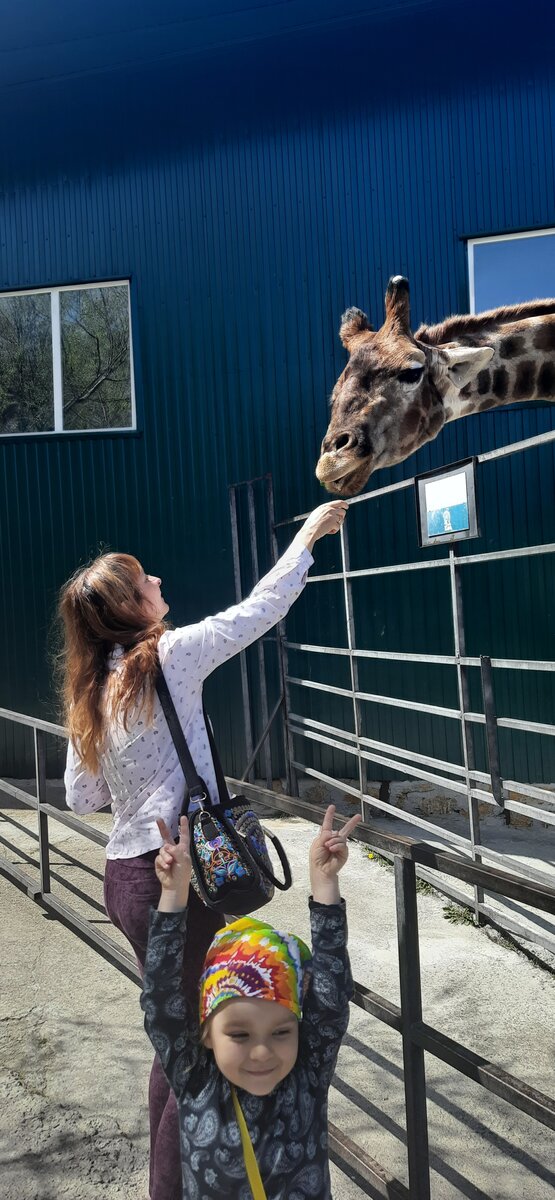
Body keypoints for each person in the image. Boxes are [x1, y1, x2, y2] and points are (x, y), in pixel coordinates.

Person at [59, 499, 348, 1200]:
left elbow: (81, 799)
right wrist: (310, 533)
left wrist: (145, 780)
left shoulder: (92, 690)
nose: (156, 579)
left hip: (126, 876)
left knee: (176, 1030)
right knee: (186, 1045)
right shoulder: (171, 655)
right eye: (143, 579)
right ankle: (171, 1186)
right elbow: (262, 607)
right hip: (176, 877)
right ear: (131, 605)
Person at [141, 803, 361, 1199]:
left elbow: (330, 996)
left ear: (299, 1028)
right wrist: (173, 894)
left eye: (280, 1031)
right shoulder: (195, 1081)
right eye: (239, 1034)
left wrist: (325, 885)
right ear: (206, 1033)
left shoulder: (306, 1077)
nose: (262, 1051)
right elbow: (161, 1001)